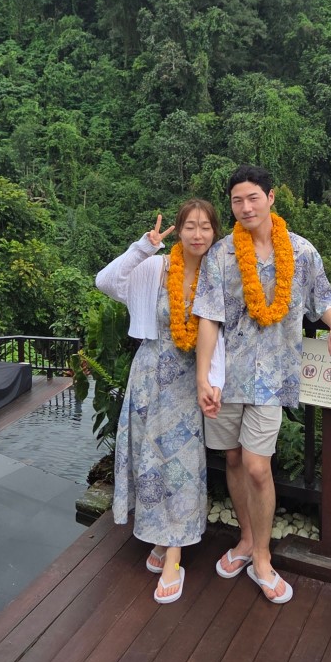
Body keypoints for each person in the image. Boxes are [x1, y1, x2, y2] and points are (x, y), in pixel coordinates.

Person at [194, 164, 331, 605]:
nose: (245, 207)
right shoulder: (221, 255)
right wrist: (203, 375)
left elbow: (323, 296)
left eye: (253, 198)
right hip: (226, 378)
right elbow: (208, 318)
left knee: (257, 467)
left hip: (273, 377)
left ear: (271, 197)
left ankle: (262, 558)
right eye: (237, 200)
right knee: (232, 458)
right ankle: (246, 539)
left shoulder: (300, 251)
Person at [95, 200, 222, 604]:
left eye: (205, 227)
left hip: (191, 379)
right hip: (150, 375)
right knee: (150, 458)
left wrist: (214, 380)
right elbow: (106, 282)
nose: (198, 234)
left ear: (215, 232)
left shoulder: (218, 273)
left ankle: (174, 555)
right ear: (179, 231)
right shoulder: (157, 268)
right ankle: (161, 537)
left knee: (182, 463)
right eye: (190, 227)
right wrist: (144, 247)